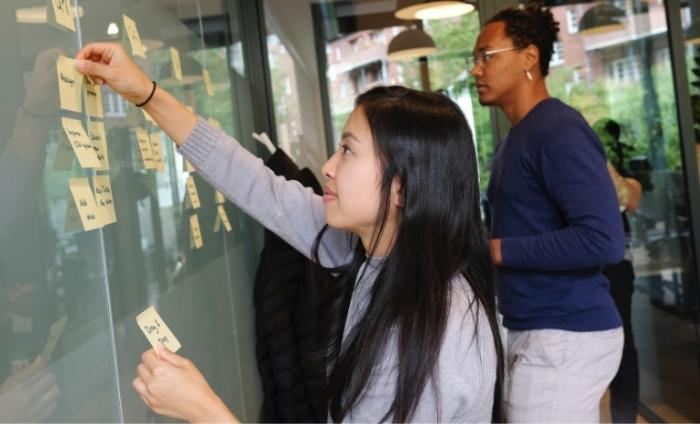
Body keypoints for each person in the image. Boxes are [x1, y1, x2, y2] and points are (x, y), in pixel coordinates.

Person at [73, 42, 504, 423]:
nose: (329, 167)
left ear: (401, 188)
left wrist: (203, 409)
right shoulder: (369, 251)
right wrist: (145, 93)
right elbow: (253, 183)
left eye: (348, 151)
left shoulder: (436, 327)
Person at [470, 3, 626, 422]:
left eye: (487, 56)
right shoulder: (514, 140)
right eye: (474, 59)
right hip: (534, 327)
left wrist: (498, 250)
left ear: (529, 57)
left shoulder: (558, 128)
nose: (475, 70)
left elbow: (603, 239)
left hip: (566, 332)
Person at [594, 118, 643, 423]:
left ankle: (624, 418)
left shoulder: (613, 169)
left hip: (616, 267)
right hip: (588, 268)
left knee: (623, 348)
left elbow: (631, 198)